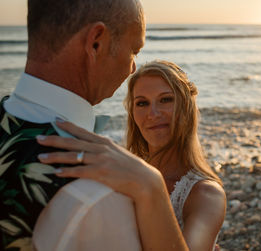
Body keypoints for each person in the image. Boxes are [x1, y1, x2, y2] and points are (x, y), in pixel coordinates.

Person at [0, 0, 145, 250]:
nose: (133, 66)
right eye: (134, 50)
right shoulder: (99, 194)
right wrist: (153, 187)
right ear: (96, 43)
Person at [35, 60, 227, 250]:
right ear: (133, 114)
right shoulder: (120, 170)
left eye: (166, 99)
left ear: (186, 107)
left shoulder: (205, 194)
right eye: (142, 103)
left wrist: (149, 184)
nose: (153, 113)